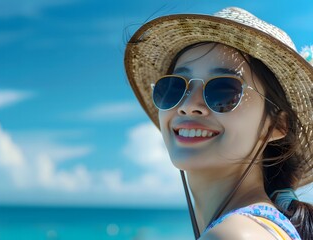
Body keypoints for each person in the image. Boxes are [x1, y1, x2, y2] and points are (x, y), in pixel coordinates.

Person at [124, 7, 313, 240]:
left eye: (223, 90)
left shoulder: (233, 234)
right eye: (174, 87)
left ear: (277, 125)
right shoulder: (260, 228)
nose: (188, 105)